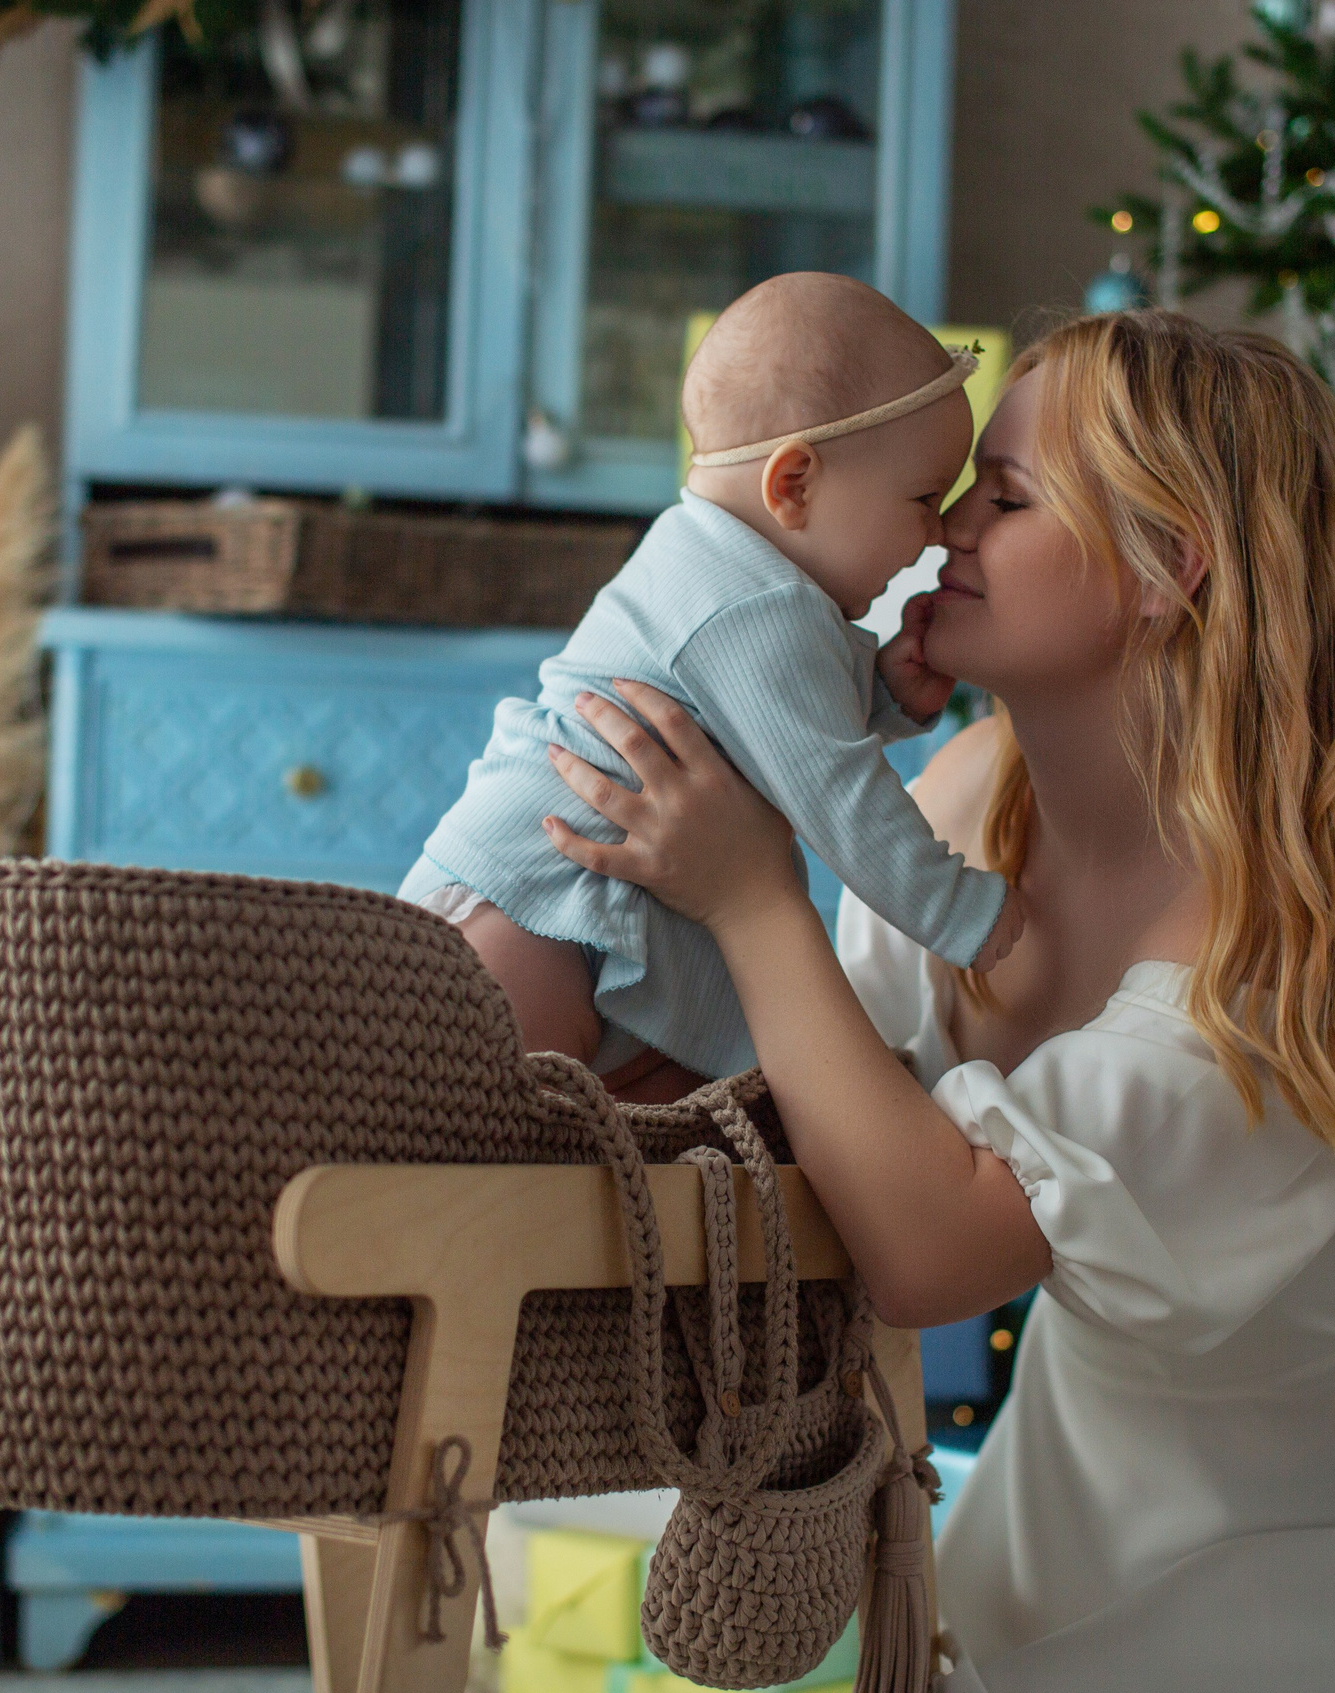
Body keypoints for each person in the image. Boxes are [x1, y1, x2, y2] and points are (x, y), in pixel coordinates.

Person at [538, 312, 1335, 1693]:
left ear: (1171, 566)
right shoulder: (962, 804)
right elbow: (811, 1112)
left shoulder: (1271, 960)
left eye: (1006, 496)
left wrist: (758, 901)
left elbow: (931, 1251)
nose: (940, 531)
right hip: (1068, 1526)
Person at [401, 273, 1021, 1104]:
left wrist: (881, 688)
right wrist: (964, 915)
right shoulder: (756, 607)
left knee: (550, 1158)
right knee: (480, 1149)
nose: (940, 530)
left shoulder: (737, 574)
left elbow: (765, 724)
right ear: (793, 484)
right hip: (539, 912)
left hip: (581, 909)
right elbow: (838, 795)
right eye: (922, 498)